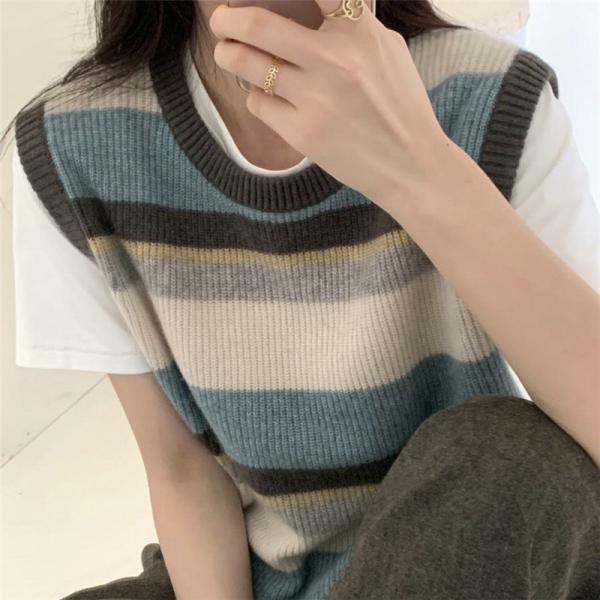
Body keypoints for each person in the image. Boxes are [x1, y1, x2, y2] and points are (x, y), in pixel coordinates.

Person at [3, 0, 600, 598]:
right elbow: (183, 472)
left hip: (463, 546)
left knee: (506, 449)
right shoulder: (73, 146)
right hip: (251, 564)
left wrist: (416, 166)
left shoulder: (491, 97)